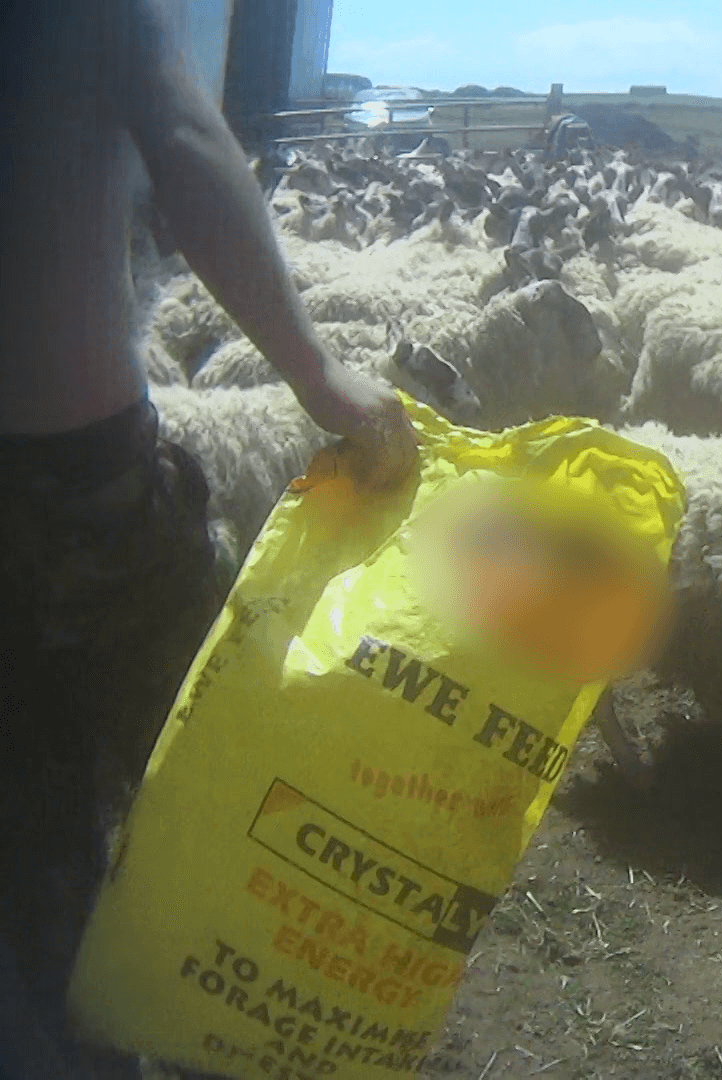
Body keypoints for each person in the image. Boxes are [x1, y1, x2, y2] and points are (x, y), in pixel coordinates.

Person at [0, 0, 417, 1074]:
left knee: (27, 822)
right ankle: (232, 1034)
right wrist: (317, 372)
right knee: (217, 769)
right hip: (72, 477)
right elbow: (184, 139)